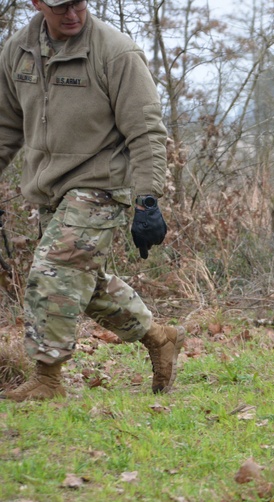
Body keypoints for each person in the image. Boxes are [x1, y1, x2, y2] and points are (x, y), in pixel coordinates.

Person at [0, 0, 184, 401]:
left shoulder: (116, 52)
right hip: (50, 188)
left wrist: (148, 199)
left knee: (55, 269)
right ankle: (160, 337)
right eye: (61, 7)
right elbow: (6, 125)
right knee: (83, 282)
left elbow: (147, 130)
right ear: (37, 4)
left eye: (79, 4)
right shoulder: (17, 51)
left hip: (102, 184)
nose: (72, 14)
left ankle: (47, 379)